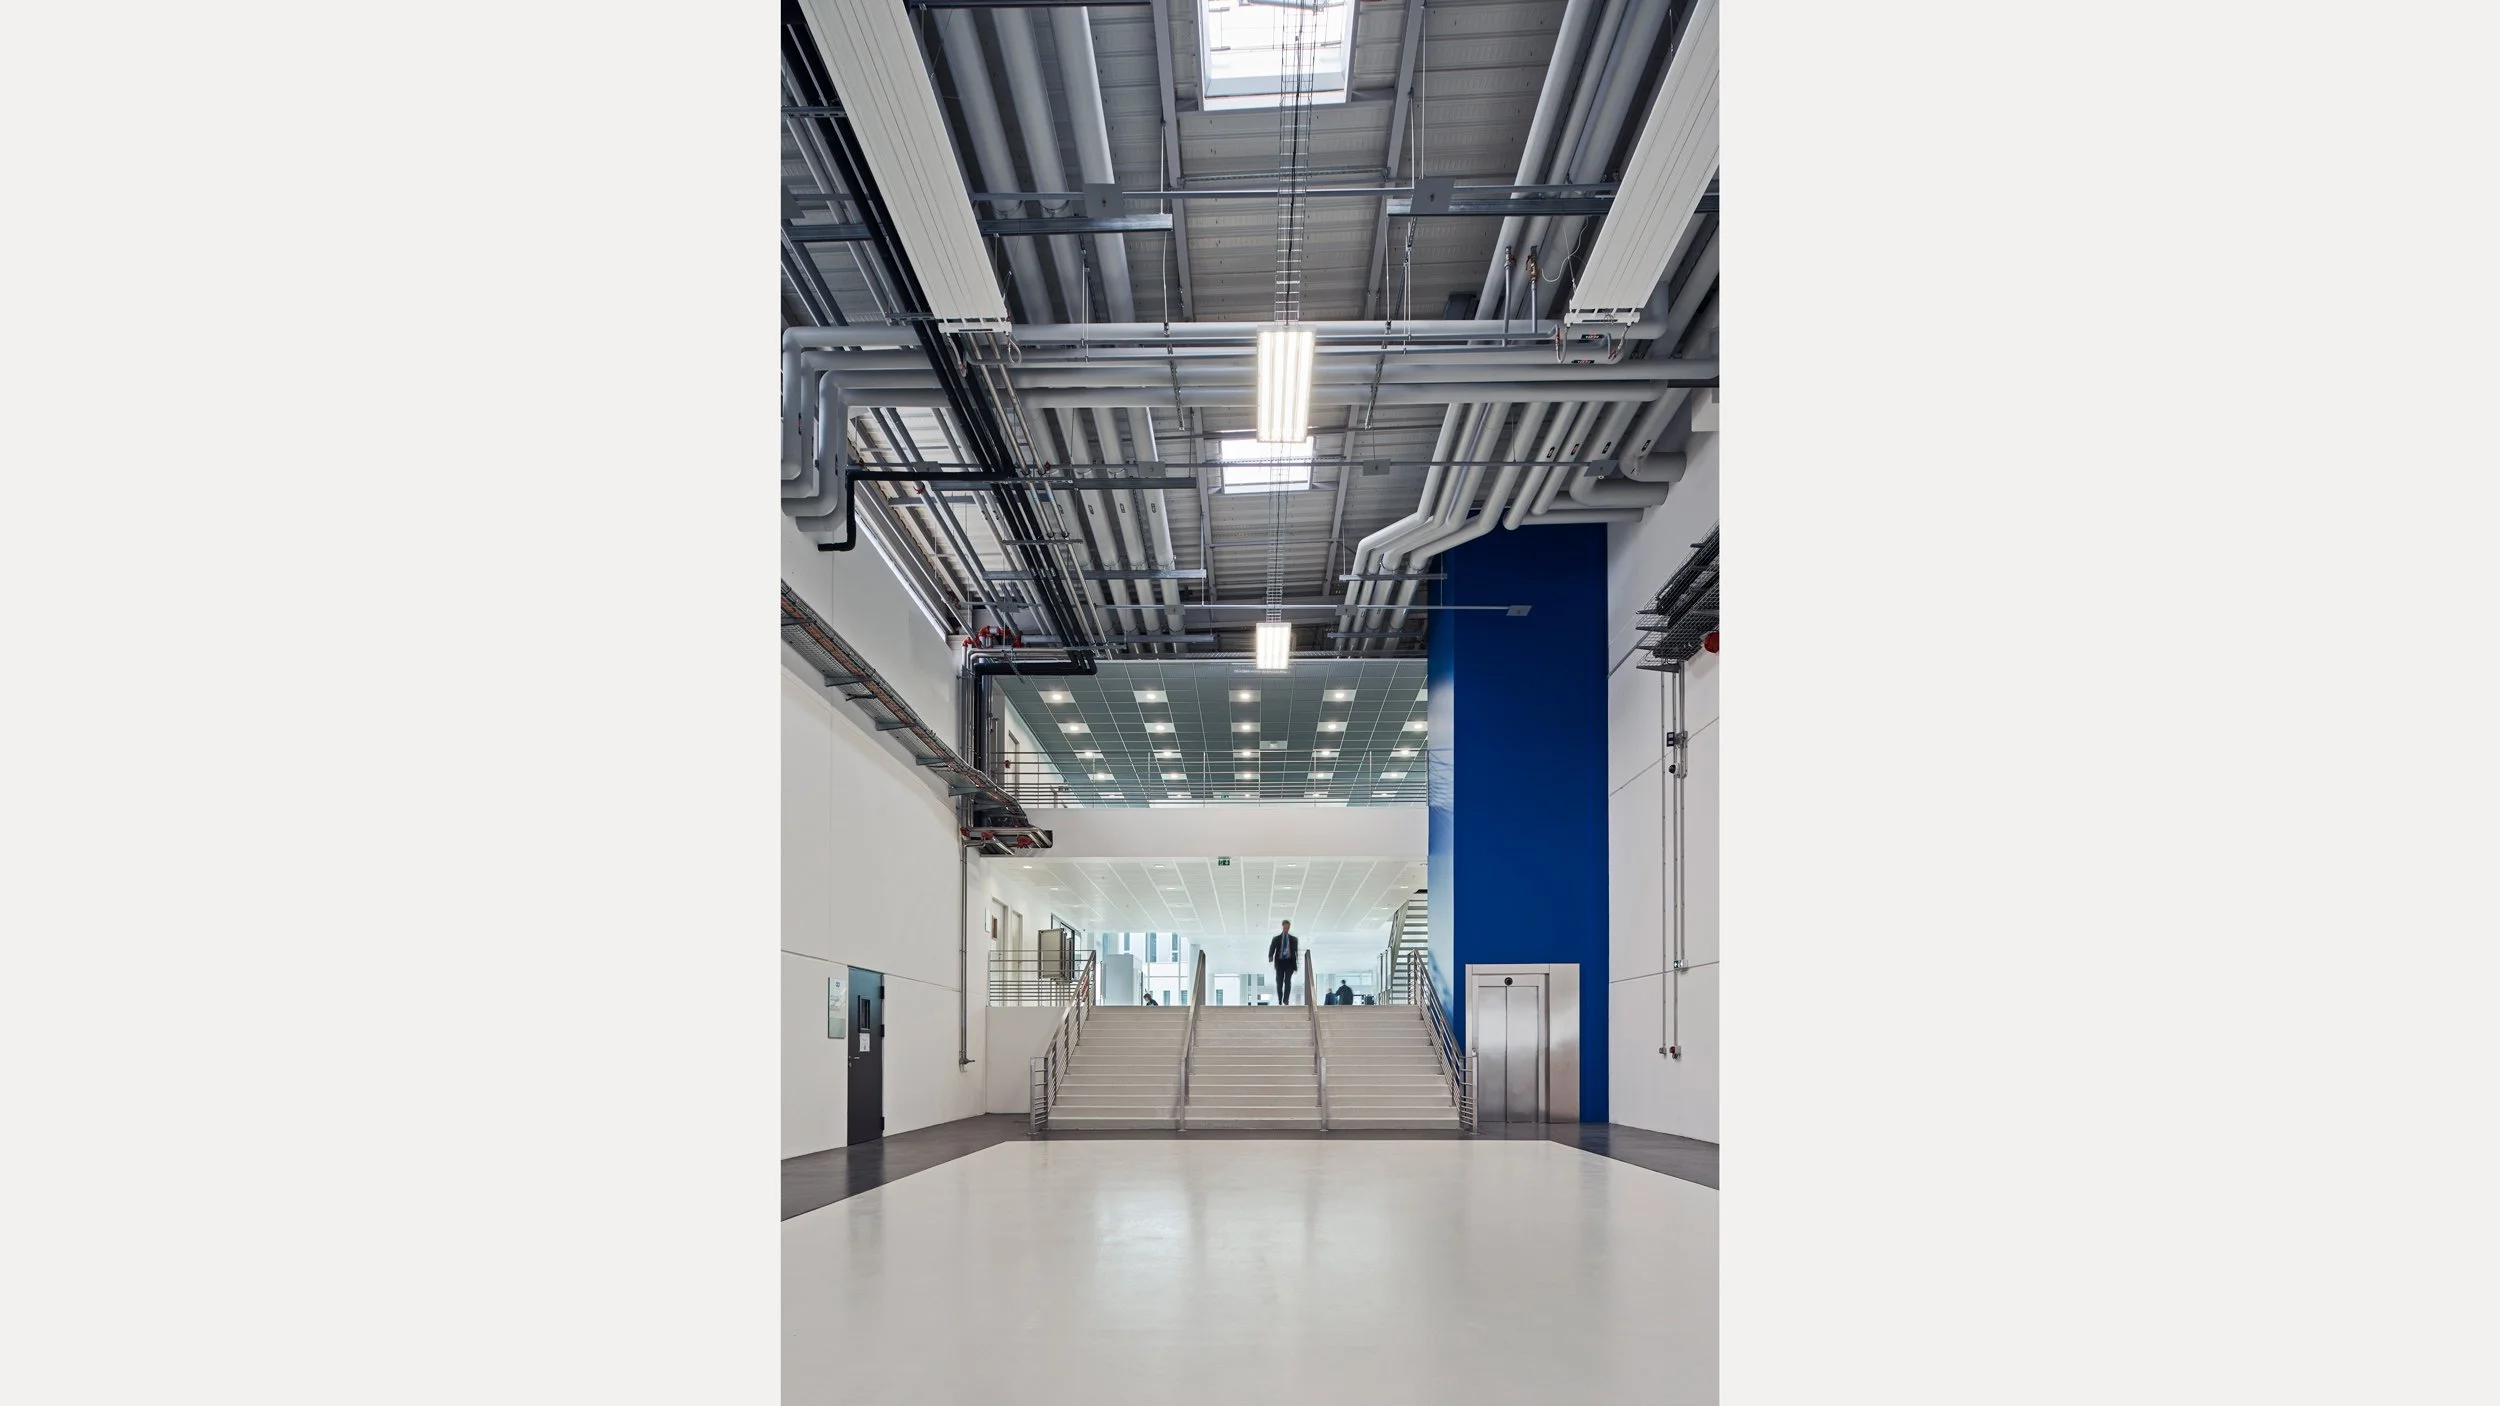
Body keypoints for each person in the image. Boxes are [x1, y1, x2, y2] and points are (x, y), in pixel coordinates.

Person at [1267, 921, 1300, 1004]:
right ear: (1282, 927)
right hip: (1280, 963)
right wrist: (1270, 956)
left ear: (1289, 928)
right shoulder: (1276, 939)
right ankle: (1280, 1000)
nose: (1286, 929)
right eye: (1285, 928)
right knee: (1279, 982)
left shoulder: (1294, 939)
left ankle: (1286, 1000)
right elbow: (1272, 948)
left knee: (1288, 981)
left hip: (1289, 963)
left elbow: (1296, 952)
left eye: (1287, 928)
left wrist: (1296, 964)